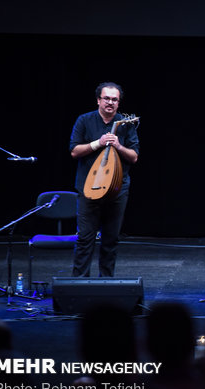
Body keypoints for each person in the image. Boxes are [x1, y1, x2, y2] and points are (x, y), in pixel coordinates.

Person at [69, 82, 139, 277]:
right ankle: (79, 284)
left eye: (114, 99)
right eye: (106, 98)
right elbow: (74, 151)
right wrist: (97, 143)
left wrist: (118, 145)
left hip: (117, 190)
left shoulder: (126, 124)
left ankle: (106, 285)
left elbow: (133, 157)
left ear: (118, 103)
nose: (110, 102)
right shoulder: (84, 120)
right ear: (98, 100)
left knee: (110, 240)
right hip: (88, 189)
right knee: (85, 239)